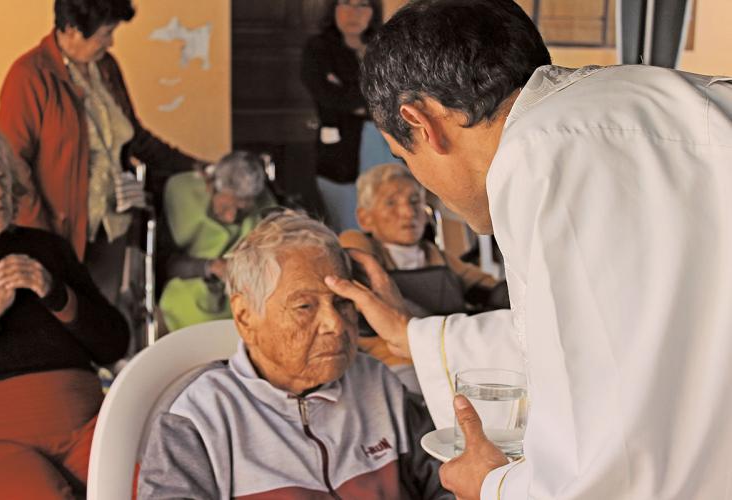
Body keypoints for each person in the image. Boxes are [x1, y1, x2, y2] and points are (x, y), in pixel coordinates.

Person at [323, 0, 732, 499]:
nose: (421, 185)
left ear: (422, 122)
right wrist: (420, 339)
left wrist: (493, 485)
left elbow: (605, 464)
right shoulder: (634, 100)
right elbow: (648, 328)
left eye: (402, 155)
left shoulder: (540, 157)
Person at [137, 210, 450, 499]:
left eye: (342, 302)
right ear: (245, 317)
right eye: (305, 306)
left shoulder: (379, 384)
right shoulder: (199, 417)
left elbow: (448, 484)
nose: (335, 324)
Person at [0, 0, 206, 305]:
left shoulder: (106, 66)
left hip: (113, 226)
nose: (111, 42)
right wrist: (44, 242)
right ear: (70, 30)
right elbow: (14, 168)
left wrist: (194, 165)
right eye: (105, 33)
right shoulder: (28, 76)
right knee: (66, 326)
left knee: (103, 322)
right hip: (63, 235)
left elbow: (134, 137)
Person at [0, 118, 130, 499]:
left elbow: (114, 343)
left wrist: (55, 293)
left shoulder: (46, 248)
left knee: (151, 488)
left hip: (87, 427)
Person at [340, 162, 505, 392]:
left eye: (415, 201)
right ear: (365, 218)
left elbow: (489, 288)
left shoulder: (435, 255)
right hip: (397, 365)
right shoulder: (359, 248)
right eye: (391, 202)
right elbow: (369, 288)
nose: (408, 212)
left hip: (448, 355)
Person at [301, 0, 394, 233]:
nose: (354, 12)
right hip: (340, 152)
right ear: (333, 8)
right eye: (346, 3)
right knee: (349, 225)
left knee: (388, 211)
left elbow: (396, 91)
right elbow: (327, 94)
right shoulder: (318, 48)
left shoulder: (383, 46)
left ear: (373, 12)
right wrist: (368, 100)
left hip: (385, 142)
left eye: (362, 4)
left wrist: (351, 94)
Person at [158, 151, 277, 332]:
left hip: (240, 293)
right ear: (210, 186)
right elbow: (162, 264)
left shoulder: (265, 208)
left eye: (242, 210)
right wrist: (209, 266)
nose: (231, 217)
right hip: (183, 285)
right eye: (225, 207)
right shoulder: (180, 193)